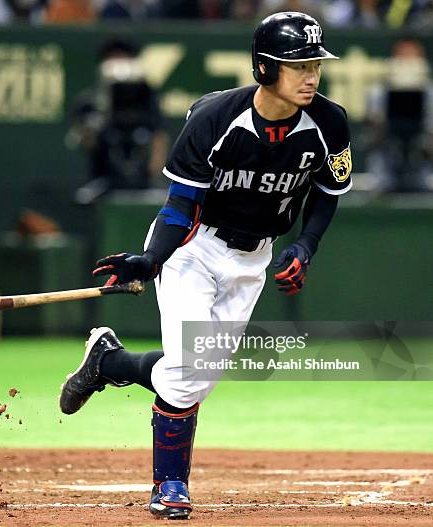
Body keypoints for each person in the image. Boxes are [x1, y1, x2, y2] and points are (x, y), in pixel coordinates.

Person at [59, 11, 352, 520]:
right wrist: (153, 258)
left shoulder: (329, 121)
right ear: (264, 68)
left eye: (315, 64)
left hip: (253, 258)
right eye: (297, 64)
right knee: (189, 372)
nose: (310, 75)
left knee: (197, 375)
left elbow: (327, 195)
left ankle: (108, 362)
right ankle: (169, 485)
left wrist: (305, 246)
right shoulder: (215, 118)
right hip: (194, 249)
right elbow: (180, 207)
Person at [68, 37, 169, 204]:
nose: (119, 65)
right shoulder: (89, 101)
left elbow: (159, 136)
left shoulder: (147, 98)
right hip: (104, 177)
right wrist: (100, 116)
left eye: (123, 58)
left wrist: (154, 172)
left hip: (143, 178)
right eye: (113, 59)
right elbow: (87, 143)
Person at [364, 37, 433, 192]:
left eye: (413, 56)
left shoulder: (430, 94)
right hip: (387, 163)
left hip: (424, 169)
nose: (407, 61)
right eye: (403, 56)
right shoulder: (378, 93)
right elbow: (373, 134)